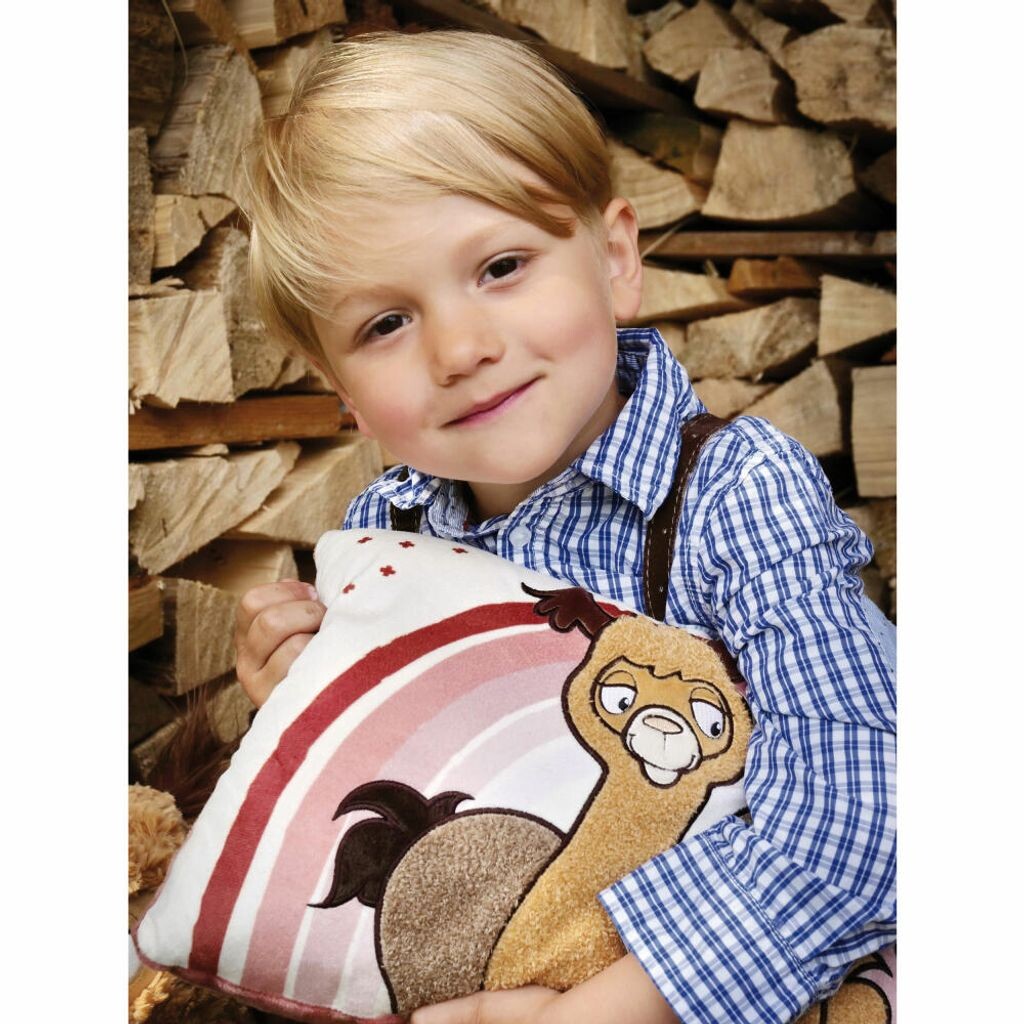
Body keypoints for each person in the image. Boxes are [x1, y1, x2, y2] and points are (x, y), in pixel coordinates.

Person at [233, 29, 895, 1024]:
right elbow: (420, 795)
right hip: (517, 956)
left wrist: (592, 1013)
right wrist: (306, 704)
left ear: (616, 258)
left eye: (501, 266)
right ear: (346, 398)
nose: (461, 348)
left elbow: (869, 809)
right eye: (385, 324)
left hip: (738, 972)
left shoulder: (731, 493)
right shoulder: (384, 536)